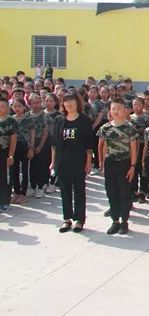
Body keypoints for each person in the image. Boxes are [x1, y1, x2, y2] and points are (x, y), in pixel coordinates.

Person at [52, 92, 93, 232]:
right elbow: (54, 144)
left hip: (79, 160)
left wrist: (88, 162)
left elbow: (89, 145)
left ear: (77, 103)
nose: (68, 104)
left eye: (71, 101)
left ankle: (80, 219)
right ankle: (67, 219)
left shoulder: (85, 121)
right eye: (66, 101)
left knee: (79, 190)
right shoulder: (59, 120)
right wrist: (53, 162)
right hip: (62, 161)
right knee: (65, 190)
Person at [97, 99, 138, 235]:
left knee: (124, 192)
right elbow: (103, 147)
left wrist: (133, 166)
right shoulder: (105, 128)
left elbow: (133, 148)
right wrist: (102, 164)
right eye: (113, 109)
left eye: (118, 109)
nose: (116, 111)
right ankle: (115, 221)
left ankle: (124, 221)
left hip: (125, 163)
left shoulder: (130, 127)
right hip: (110, 163)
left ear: (125, 110)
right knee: (111, 192)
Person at [0, 97, 18, 213]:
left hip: (4, 152)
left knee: (4, 178)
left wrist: (10, 155)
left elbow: (14, 139)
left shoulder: (11, 121)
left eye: (3, 106)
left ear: (7, 108)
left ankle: (5, 202)